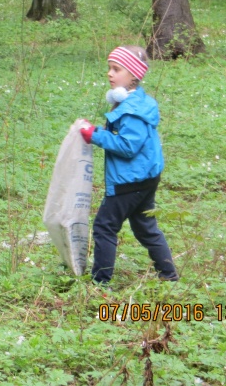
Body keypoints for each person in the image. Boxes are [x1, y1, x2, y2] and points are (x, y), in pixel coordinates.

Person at [75, 45, 178, 284]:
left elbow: (127, 146)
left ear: (133, 75)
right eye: (109, 68)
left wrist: (95, 136)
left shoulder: (132, 111)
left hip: (129, 181)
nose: (110, 74)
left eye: (116, 69)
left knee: (104, 227)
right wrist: (98, 131)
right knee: (145, 227)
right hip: (145, 178)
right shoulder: (138, 103)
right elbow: (125, 137)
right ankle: (169, 274)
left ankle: (101, 282)